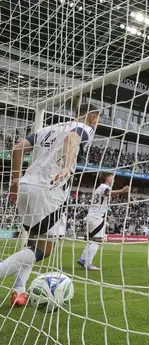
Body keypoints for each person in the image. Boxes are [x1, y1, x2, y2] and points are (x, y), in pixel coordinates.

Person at [3, 103, 99, 306]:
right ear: (92, 117)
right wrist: (66, 166)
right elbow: (71, 139)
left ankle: (19, 291)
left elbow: (18, 148)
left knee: (33, 242)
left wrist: (14, 182)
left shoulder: (49, 128)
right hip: (49, 190)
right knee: (45, 249)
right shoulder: (85, 129)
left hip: (26, 187)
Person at [77, 172, 130, 271]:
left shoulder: (99, 188)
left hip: (91, 216)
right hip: (97, 217)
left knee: (92, 240)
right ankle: (87, 263)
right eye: (112, 177)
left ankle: (83, 258)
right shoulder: (104, 187)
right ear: (107, 178)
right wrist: (122, 190)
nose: (113, 180)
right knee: (97, 241)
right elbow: (108, 193)